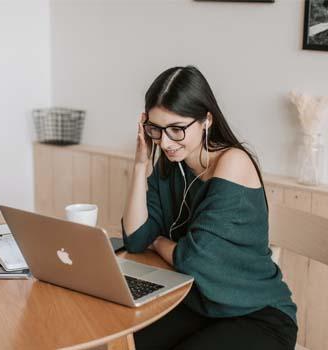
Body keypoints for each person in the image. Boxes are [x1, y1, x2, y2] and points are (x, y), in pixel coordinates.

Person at [121, 65, 298, 350]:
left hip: (258, 314)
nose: (165, 142)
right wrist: (141, 162)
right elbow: (137, 238)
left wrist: (159, 240)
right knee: (126, 341)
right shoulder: (171, 163)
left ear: (206, 120)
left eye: (177, 129)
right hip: (199, 305)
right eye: (156, 129)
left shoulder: (233, 162)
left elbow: (193, 258)